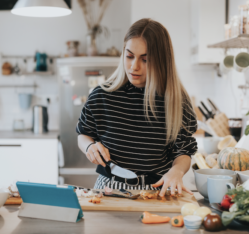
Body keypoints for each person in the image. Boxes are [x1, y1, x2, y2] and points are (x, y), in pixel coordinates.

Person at [76, 18, 197, 197]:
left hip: (157, 191)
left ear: (162, 61)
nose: (134, 66)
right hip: (109, 188)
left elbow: (184, 150)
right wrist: (89, 147)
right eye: (129, 56)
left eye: (145, 59)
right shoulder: (102, 95)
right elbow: (84, 134)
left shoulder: (177, 101)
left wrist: (177, 171)